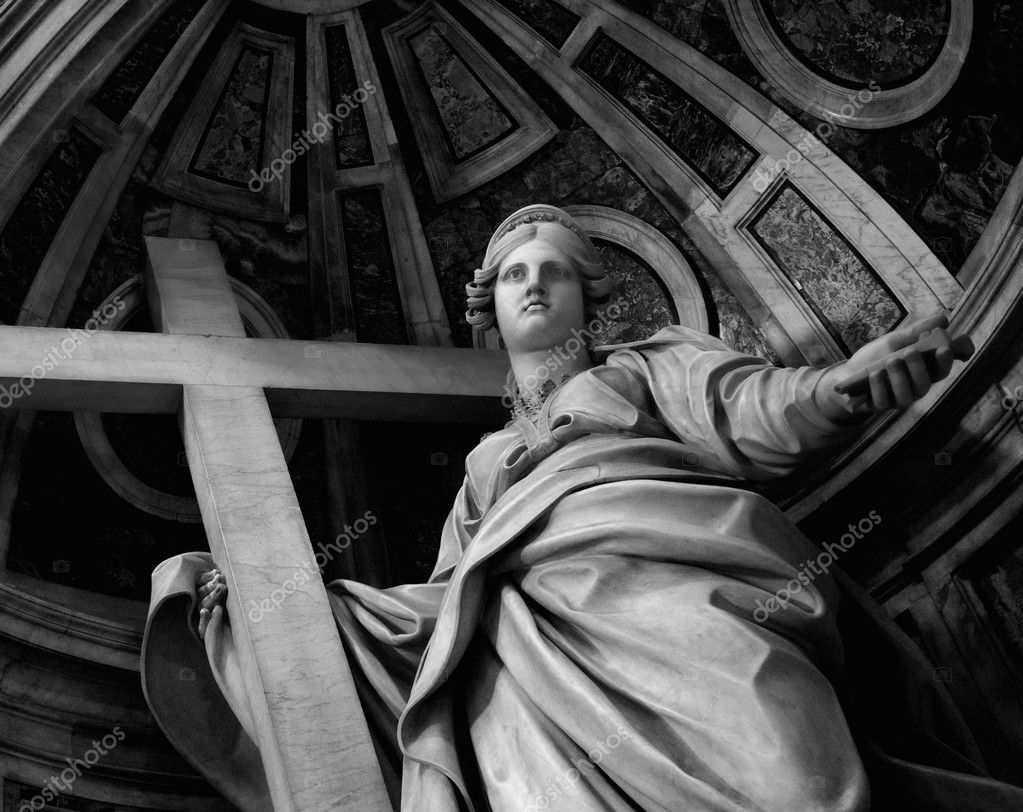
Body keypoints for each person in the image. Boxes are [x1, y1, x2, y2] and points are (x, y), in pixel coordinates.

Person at [142, 204, 1023, 811]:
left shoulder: (643, 367)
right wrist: (298, 612)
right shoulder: (485, 466)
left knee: (786, 764)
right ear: (486, 303)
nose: (535, 286)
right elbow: (449, 605)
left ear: (589, 296)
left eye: (556, 273)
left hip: (682, 581)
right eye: (516, 274)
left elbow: (759, 412)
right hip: (524, 645)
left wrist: (843, 386)